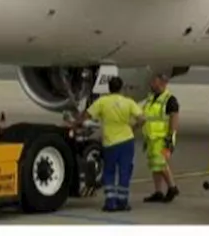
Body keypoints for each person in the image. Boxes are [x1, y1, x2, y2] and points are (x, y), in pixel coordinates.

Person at [73, 76, 145, 212]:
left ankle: (110, 202)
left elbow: (86, 115)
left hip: (110, 143)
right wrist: (132, 128)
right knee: (125, 172)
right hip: (126, 141)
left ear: (109, 88)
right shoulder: (128, 102)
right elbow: (142, 118)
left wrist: (75, 123)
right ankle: (123, 202)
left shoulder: (102, 102)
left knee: (109, 172)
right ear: (121, 88)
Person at [140, 73, 181, 203]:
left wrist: (171, 137)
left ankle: (172, 187)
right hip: (152, 139)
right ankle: (158, 191)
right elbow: (145, 117)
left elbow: (174, 119)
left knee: (161, 164)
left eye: (154, 81)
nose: (151, 84)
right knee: (154, 166)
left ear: (162, 83)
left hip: (163, 139)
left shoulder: (170, 100)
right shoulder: (151, 98)